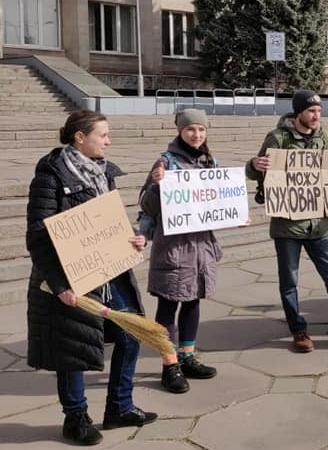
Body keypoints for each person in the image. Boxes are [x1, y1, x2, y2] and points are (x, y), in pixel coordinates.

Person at [26, 110, 157, 446]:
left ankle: (120, 407)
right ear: (79, 137)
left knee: (131, 334)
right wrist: (60, 285)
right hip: (69, 277)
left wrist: (132, 237)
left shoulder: (103, 173)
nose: (109, 141)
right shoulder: (51, 175)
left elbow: (108, 222)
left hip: (110, 271)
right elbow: (38, 236)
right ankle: (76, 417)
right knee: (74, 347)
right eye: (103, 135)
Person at [246, 90, 328, 353]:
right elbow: (255, 171)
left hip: (319, 224)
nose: (317, 115)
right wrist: (255, 164)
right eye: (311, 111)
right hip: (287, 225)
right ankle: (299, 331)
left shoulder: (323, 137)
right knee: (289, 282)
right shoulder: (278, 138)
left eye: (319, 111)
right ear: (298, 114)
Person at [139, 109, 219, 394]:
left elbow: (217, 200)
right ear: (180, 132)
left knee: (193, 302)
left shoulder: (210, 161)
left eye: (201, 130)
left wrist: (234, 214)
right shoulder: (166, 162)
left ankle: (187, 356)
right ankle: (169, 365)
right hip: (173, 248)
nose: (196, 135)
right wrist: (158, 186)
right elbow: (146, 207)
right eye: (190, 130)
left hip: (201, 247)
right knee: (168, 306)